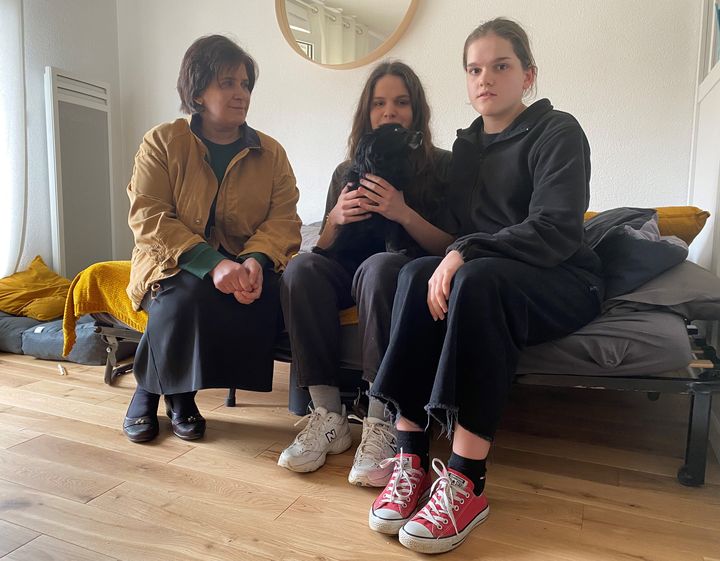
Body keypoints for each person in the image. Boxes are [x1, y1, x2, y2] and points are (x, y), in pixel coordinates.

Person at [366, 18, 604, 554]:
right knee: (409, 271)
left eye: (501, 66)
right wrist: (452, 250)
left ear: (527, 76)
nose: (485, 79)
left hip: (564, 278)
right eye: (475, 69)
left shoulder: (558, 131)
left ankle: (466, 479)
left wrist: (464, 252)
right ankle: (409, 459)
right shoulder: (466, 149)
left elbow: (555, 230)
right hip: (487, 272)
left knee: (473, 277)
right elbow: (455, 234)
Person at [277, 61, 453, 485]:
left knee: (381, 267)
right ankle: (327, 417)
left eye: (400, 102)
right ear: (366, 112)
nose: (389, 111)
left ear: (416, 111)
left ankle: (380, 422)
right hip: (346, 269)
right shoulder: (346, 170)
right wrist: (334, 218)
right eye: (379, 103)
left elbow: (452, 245)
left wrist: (403, 213)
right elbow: (321, 250)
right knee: (300, 268)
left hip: (402, 273)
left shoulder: (442, 166)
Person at [123, 35, 301, 444]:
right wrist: (210, 263)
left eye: (245, 84)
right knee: (186, 293)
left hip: (243, 261)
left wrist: (255, 259)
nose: (241, 94)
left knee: (267, 293)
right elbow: (148, 215)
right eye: (227, 83)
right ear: (198, 91)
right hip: (170, 259)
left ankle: (170, 392)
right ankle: (159, 393)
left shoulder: (271, 153)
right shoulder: (162, 142)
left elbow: (284, 218)